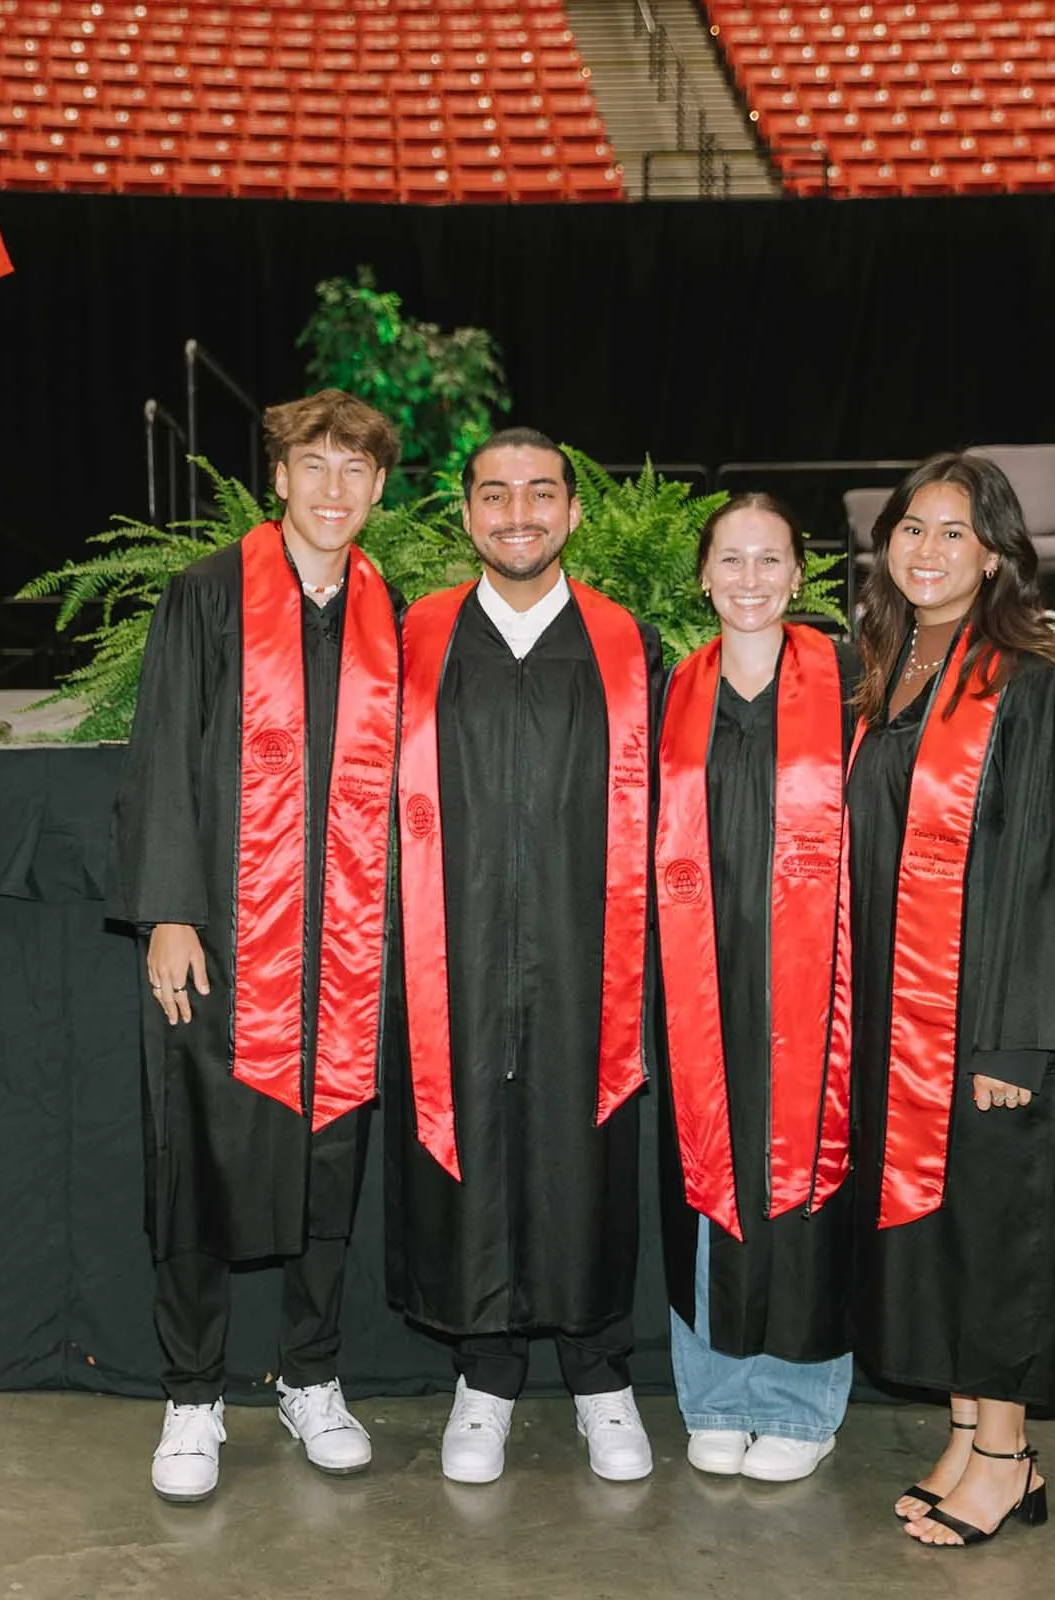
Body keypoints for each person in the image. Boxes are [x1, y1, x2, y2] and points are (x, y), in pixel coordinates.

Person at [109, 389, 405, 1503]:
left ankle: (310, 1372)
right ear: (276, 477)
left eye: (355, 471)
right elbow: (162, 758)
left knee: (329, 1167)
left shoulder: (392, 613)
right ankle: (191, 1394)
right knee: (200, 1160)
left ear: (379, 488)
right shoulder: (207, 594)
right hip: (223, 939)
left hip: (349, 944)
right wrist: (167, 911)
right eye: (312, 467)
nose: (333, 490)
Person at [845, 452, 1055, 1548]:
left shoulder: (1026, 681)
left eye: (952, 533)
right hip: (909, 1018)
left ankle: (1007, 1458)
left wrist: (1016, 1041)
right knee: (952, 1238)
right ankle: (969, 1436)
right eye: (910, 528)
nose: (925, 550)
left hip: (999, 1021)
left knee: (1003, 1237)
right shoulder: (886, 670)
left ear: (996, 554)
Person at [385, 426, 664, 1485]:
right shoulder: (410, 641)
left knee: (582, 1143)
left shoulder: (626, 646)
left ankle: (598, 1375)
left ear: (573, 511)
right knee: (467, 1148)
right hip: (445, 942)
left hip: (588, 947)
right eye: (494, 494)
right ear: (463, 515)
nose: (517, 513)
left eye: (539, 492)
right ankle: (484, 1375)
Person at [652, 494, 861, 1483]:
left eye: (767, 560)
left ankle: (797, 1398)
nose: (747, 578)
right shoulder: (665, 695)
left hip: (820, 981)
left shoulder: (852, 683)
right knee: (707, 1174)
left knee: (806, 1179)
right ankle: (714, 1391)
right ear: (703, 576)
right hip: (698, 981)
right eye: (728, 560)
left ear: (797, 573)